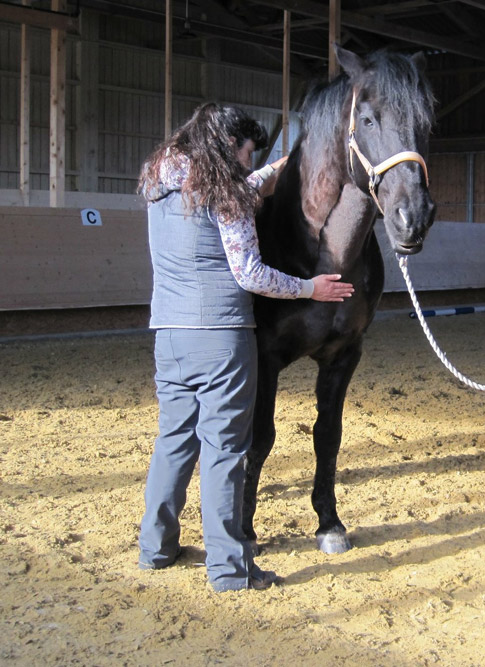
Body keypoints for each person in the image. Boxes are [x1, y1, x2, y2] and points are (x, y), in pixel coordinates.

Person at [136, 103, 354, 592]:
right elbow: (250, 274)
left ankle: (156, 548)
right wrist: (310, 288)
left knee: (174, 441)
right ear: (228, 146)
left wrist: (277, 170)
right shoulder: (229, 198)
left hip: (169, 335)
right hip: (220, 338)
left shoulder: (160, 182)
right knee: (224, 451)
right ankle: (229, 570)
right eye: (248, 153)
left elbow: (226, 192)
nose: (248, 164)